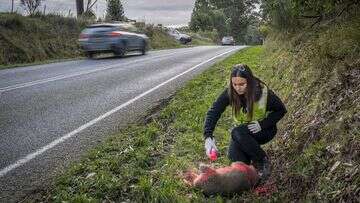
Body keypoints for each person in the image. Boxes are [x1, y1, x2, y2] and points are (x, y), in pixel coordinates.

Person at [203, 64, 287, 182]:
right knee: (236, 162)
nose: (238, 88)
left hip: (264, 130)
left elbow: (281, 110)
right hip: (243, 134)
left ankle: (263, 160)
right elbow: (214, 111)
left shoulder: (262, 92)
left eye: (242, 84)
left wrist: (262, 124)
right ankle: (251, 168)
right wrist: (208, 137)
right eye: (235, 84)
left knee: (236, 131)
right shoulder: (230, 92)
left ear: (250, 82)